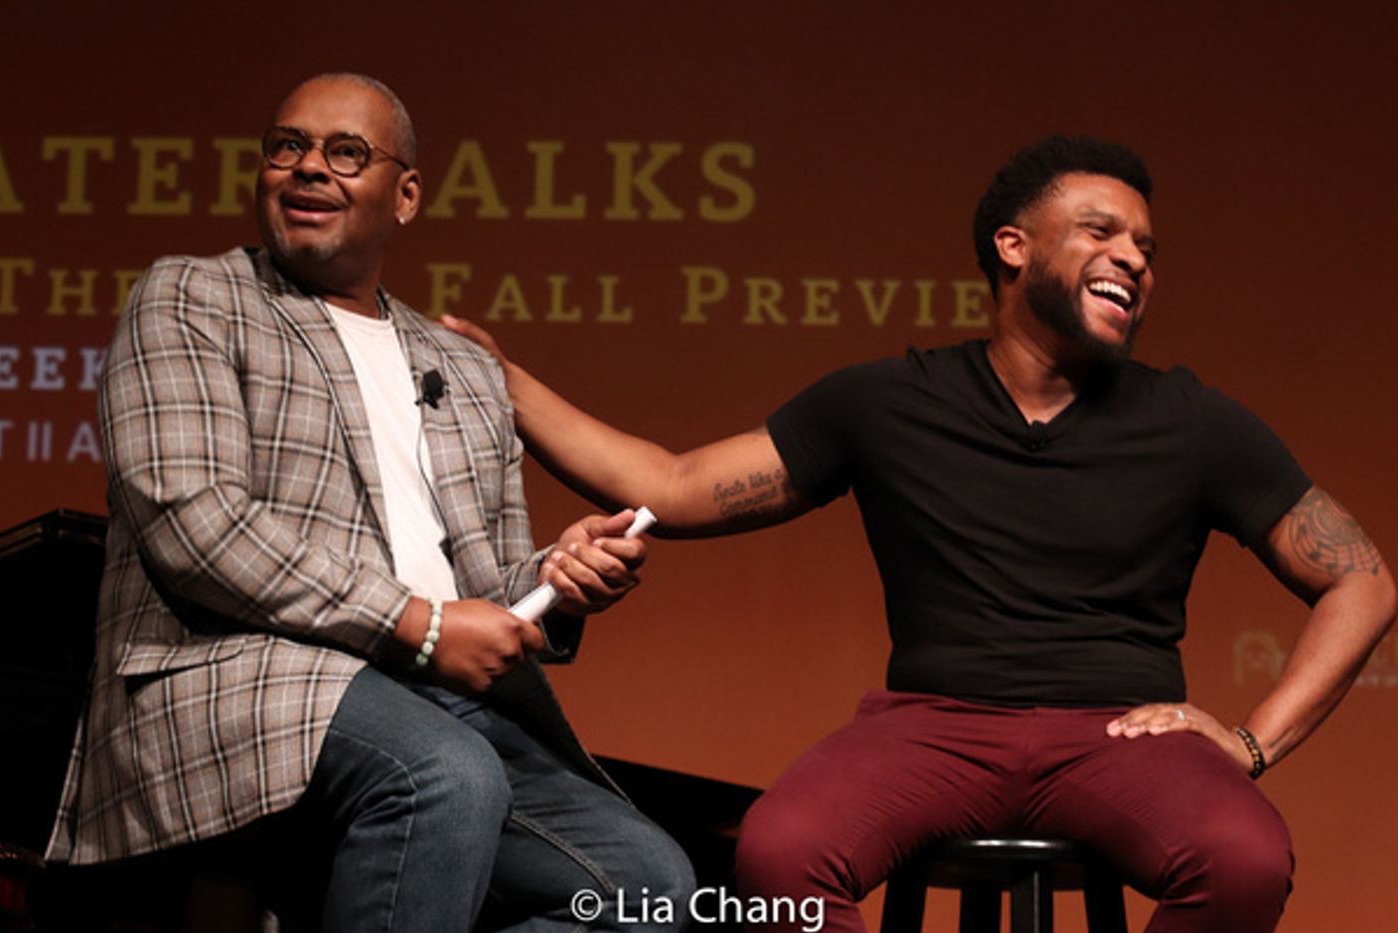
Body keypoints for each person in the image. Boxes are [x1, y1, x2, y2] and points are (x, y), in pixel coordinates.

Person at [442, 135, 1396, 932]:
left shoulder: (1193, 420)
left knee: (1244, 858)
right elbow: (675, 485)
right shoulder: (889, 401)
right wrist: (506, 381)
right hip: (934, 725)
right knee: (779, 855)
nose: (1136, 258)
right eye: (1102, 231)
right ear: (1013, 247)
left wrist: (1250, 741)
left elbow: (1363, 581)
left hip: (1122, 732)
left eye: (1147, 246)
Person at [45, 73, 693, 931]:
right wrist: (418, 624)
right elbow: (194, 522)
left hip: (437, 700)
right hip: (242, 674)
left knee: (650, 885)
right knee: (445, 773)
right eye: (289, 147)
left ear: (406, 195)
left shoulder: (458, 364)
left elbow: (483, 581)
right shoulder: (194, 298)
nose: (310, 168)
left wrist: (555, 576)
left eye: (346, 153)